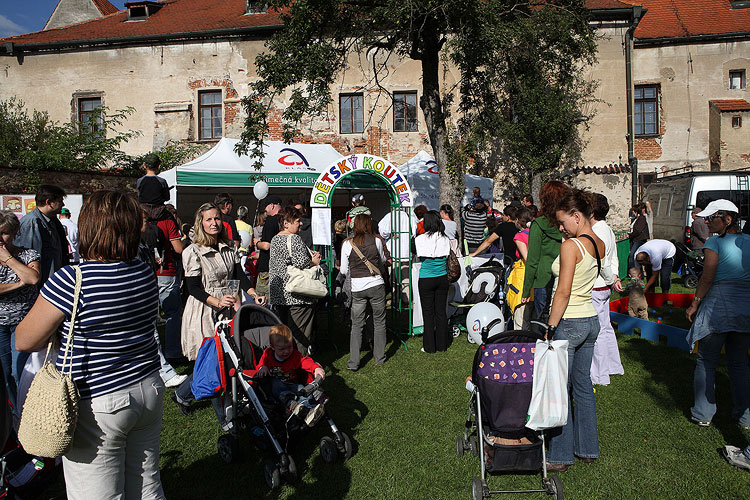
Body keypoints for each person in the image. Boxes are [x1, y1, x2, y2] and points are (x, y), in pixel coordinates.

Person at [16, 190, 166, 499]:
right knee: (146, 487)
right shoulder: (142, 270)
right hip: (147, 387)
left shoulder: (73, 280)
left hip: (100, 400)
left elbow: (24, 339)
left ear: (90, 227)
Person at [545, 189, 605, 472]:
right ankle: (588, 449)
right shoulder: (599, 242)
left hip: (570, 322)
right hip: (591, 321)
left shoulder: (571, 247)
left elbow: (564, 291)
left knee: (560, 390)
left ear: (576, 216)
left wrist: (551, 326)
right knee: (582, 387)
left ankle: (559, 455)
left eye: (563, 222)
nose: (560, 227)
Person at [685, 199, 750, 428]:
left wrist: (695, 303)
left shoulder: (714, 244)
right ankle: (745, 416)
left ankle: (703, 413)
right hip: (744, 309)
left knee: (706, 361)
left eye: (712, 218)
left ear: (728, 219)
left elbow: (708, 276)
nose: (707, 221)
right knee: (739, 362)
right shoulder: (748, 242)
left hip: (719, 309)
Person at [180, 203, 264, 361]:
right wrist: (218, 302)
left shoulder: (230, 247)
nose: (214, 223)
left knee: (230, 356)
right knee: (208, 357)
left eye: (217, 218)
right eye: (209, 219)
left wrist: (254, 294)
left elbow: (238, 275)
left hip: (228, 305)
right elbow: (193, 288)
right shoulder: (193, 251)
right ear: (201, 223)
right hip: (204, 306)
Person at [0, 211, 40, 409]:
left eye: (4, 233)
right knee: (6, 373)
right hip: (0, 325)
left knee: (21, 373)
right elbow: (26, 279)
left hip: (23, 322)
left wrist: (7, 259)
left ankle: (25, 414)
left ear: (14, 233)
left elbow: (33, 278)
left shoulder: (28, 254)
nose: (0, 238)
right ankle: (14, 414)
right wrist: (18, 284)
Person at [269, 207, 321, 355]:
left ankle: (286, 368)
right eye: (297, 221)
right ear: (286, 223)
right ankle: (301, 368)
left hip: (280, 296)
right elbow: (301, 263)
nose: (301, 224)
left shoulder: (275, 239)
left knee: (285, 336)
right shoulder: (295, 238)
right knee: (300, 337)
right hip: (298, 294)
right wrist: (314, 261)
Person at [339, 213, 387, 370]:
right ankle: (379, 357)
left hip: (357, 287)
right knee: (379, 321)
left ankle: (354, 362)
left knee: (356, 324)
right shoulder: (377, 241)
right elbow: (382, 261)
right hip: (376, 284)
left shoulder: (347, 243)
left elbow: (345, 270)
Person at [256, 323, 326, 426]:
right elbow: (261, 364)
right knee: (277, 386)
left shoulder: (294, 356)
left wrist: (315, 368)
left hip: (293, 384)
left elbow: (304, 361)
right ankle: (295, 406)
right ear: (273, 347)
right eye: (281, 349)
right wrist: (263, 367)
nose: (286, 351)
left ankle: (310, 411)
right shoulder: (268, 355)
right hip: (277, 388)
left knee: (303, 390)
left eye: (289, 347)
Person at [521, 180, 571, 320]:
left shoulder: (538, 224)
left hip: (543, 280)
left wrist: (526, 291)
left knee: (543, 323)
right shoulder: (570, 224)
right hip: (565, 277)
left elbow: (532, 260)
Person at [589, 194, 624, 386]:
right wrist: (615, 277)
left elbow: (602, 262)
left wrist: (612, 278)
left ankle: (600, 374)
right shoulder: (607, 229)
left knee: (598, 331)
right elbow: (614, 258)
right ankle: (612, 366)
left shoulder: (597, 232)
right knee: (606, 328)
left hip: (597, 284)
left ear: (592, 212)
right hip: (604, 285)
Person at [14, 184, 69, 284]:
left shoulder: (52, 221)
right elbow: (30, 260)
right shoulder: (32, 223)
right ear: (49, 202)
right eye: (60, 201)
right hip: (40, 284)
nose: (63, 205)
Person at [415, 211, 451, 353]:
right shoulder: (445, 238)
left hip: (426, 279)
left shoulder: (420, 239)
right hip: (442, 278)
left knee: (428, 313)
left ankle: (429, 346)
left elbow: (417, 254)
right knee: (441, 312)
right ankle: (442, 345)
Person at [510, 208, 534, 330]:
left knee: (521, 316)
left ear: (518, 221)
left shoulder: (520, 236)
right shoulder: (535, 234)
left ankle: (521, 344)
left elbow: (527, 259)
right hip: (536, 277)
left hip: (523, 276)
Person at [255, 195, 283, 301]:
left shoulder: (271, 220)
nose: (265, 209)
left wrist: (257, 243)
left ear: (272, 206)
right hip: (279, 267)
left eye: (266, 206)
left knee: (263, 299)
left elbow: (267, 246)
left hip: (266, 267)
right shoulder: (284, 221)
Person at [627, 203, 649, 269]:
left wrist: (630, 235)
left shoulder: (642, 218)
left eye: (633, 211)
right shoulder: (637, 219)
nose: (632, 212)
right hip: (636, 239)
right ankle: (636, 272)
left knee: (633, 255)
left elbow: (637, 231)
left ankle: (633, 271)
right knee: (635, 256)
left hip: (639, 240)